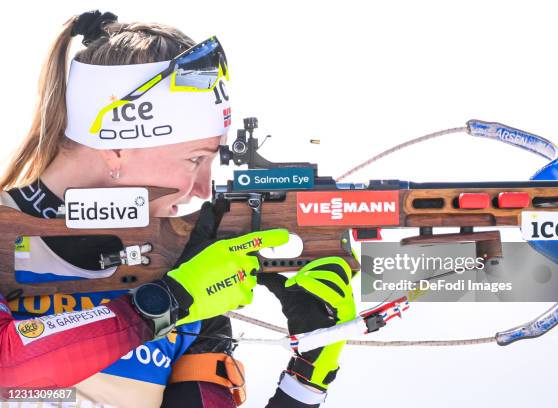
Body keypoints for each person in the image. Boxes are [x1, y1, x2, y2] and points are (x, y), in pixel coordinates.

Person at [0, 10, 357, 408]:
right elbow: (8, 364)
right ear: (117, 146)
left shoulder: (180, 262)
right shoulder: (181, 283)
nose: (203, 188)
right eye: (194, 159)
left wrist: (305, 381)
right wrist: (166, 303)